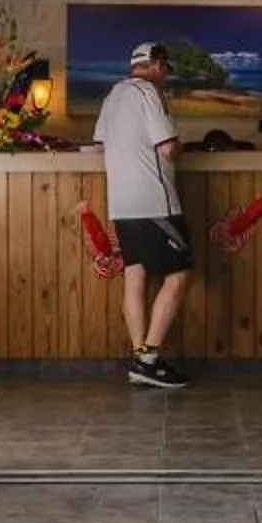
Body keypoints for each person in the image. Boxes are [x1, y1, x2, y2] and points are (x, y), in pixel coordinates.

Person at [92, 41, 192, 388]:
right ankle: (149, 358)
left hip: (121, 203)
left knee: (135, 276)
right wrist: (181, 145)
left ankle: (140, 358)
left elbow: (104, 145)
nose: (165, 73)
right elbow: (167, 148)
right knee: (178, 276)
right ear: (158, 64)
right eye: (165, 67)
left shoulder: (112, 95)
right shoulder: (150, 94)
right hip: (154, 203)